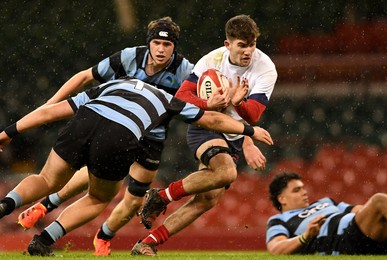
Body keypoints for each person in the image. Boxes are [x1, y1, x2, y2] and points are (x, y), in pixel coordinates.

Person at [0, 78, 273, 256]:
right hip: (120, 134)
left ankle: (5, 205)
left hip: (85, 121)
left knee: (46, 178)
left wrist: (8, 133)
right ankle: (43, 242)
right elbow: (212, 120)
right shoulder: (168, 100)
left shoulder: (114, 84)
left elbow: (50, 111)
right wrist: (249, 130)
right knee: (97, 198)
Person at [16, 16, 193, 256]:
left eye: (167, 45)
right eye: (157, 43)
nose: (161, 49)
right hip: (118, 125)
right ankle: (47, 205)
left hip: (152, 136)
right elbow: (84, 77)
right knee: (96, 175)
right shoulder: (130, 56)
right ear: (149, 43)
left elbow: (199, 102)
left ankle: (103, 235)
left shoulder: (186, 71)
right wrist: (49, 105)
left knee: (134, 200)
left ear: (175, 47)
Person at [132, 14, 277, 256]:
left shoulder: (265, 68)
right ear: (227, 44)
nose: (248, 51)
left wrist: (237, 104)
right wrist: (206, 103)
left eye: (252, 45)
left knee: (206, 200)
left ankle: (147, 243)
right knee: (226, 171)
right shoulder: (212, 60)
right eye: (242, 45)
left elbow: (252, 115)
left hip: (235, 133)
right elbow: (182, 96)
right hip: (206, 126)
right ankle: (162, 197)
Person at [266, 172, 387, 255]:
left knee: (382, 202)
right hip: (343, 241)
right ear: (281, 198)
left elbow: (363, 211)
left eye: (303, 188)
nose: (304, 192)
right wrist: (305, 236)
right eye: (297, 190)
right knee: (379, 200)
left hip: (366, 234)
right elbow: (276, 248)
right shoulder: (278, 220)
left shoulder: (325, 201)